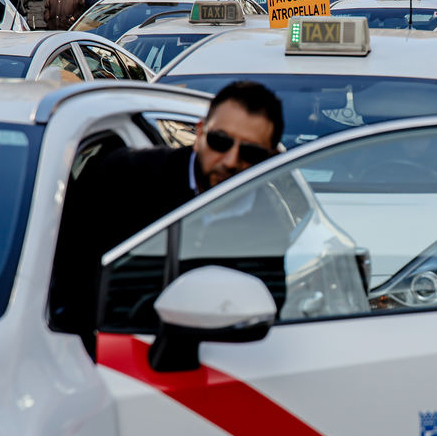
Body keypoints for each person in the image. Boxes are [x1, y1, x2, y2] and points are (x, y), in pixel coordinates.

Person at [51, 81, 284, 343]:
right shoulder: (125, 177)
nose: (230, 161)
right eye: (220, 141)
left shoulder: (271, 222)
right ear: (199, 135)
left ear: (270, 157)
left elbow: (268, 309)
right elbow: (63, 271)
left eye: (250, 152)